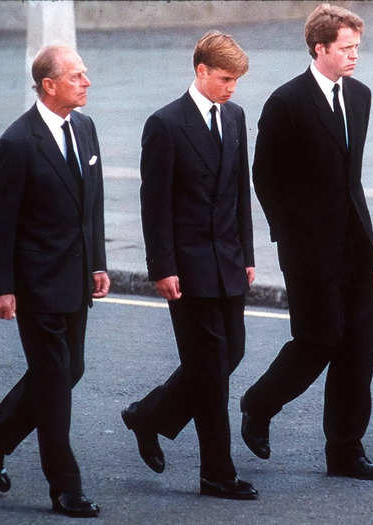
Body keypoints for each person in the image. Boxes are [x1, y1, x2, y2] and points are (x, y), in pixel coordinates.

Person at [240, 3, 373, 480]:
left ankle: (345, 450)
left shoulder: (361, 96)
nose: (354, 56)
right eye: (345, 48)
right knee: (318, 341)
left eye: (357, 48)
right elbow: (264, 177)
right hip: (307, 250)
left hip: (354, 245)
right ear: (319, 48)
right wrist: (292, 238)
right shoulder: (286, 102)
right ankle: (259, 403)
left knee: (359, 347)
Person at [0, 45, 108, 518]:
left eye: (85, 75)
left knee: (70, 372)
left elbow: (93, 206)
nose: (87, 82)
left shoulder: (84, 128)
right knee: (53, 384)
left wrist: (98, 263)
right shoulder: (18, 143)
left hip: (75, 278)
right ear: (49, 85)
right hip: (36, 284)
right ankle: (65, 486)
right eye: (77, 76)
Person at [121, 31, 257, 500]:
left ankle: (149, 416)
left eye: (236, 80)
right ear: (200, 71)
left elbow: (241, 191)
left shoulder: (236, 117)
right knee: (211, 369)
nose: (232, 88)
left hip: (228, 261)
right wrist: (162, 267)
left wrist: (248, 255)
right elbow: (153, 204)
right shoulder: (165, 124)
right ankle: (217, 473)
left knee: (228, 355)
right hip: (188, 266)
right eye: (224, 78)